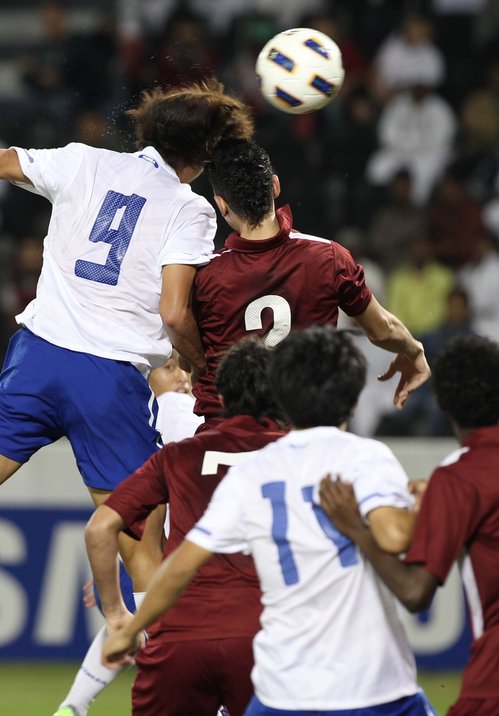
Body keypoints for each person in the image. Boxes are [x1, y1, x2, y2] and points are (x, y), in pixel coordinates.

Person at [0, 80, 252, 716]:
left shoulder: (84, 159)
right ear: (199, 155)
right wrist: (203, 366)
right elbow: (173, 312)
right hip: (106, 381)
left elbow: (4, 161)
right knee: (147, 559)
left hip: (35, 355)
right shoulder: (189, 208)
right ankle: (194, 697)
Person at [102, 327, 437, 716]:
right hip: (372, 683)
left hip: (283, 689)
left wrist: (129, 629)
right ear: (353, 397)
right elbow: (395, 539)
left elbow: (180, 566)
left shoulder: (254, 472)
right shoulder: (365, 458)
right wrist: (419, 510)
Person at [85, 338, 286, 716]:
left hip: (179, 637)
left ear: (221, 395)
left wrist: (117, 616)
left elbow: (99, 529)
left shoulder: (179, 454)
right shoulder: (302, 453)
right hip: (265, 636)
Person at [319, 334, 499, 716]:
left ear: (443, 402)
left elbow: (415, 593)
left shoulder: (461, 477)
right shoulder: (457, 483)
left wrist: (357, 529)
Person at [191, 138, 431, 423]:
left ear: (221, 205)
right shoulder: (329, 257)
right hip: (302, 432)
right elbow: (382, 330)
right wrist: (413, 350)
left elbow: (187, 352)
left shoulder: (204, 275)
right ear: (275, 186)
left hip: (225, 436)